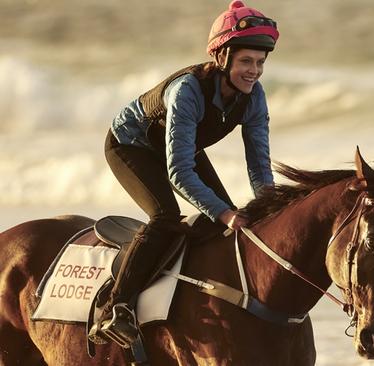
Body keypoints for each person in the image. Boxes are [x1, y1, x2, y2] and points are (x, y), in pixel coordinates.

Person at [89, 0, 279, 345]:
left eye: (261, 63)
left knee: (218, 220)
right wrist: (225, 213)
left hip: (177, 148)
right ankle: (115, 307)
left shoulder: (255, 97)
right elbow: (179, 172)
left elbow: (259, 166)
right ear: (222, 59)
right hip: (130, 146)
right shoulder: (188, 90)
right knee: (166, 216)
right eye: (246, 62)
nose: (254, 71)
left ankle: (182, 292)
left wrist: (270, 207)